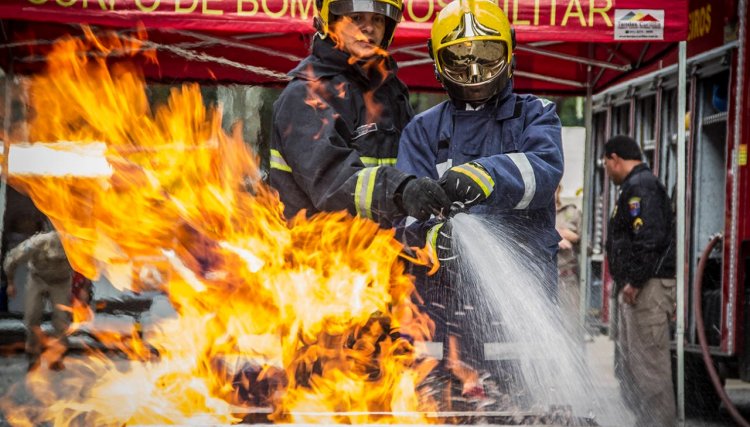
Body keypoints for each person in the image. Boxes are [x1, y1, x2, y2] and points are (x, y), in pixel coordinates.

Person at [396, 0, 563, 400]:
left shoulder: (535, 116)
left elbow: (544, 170)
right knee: (438, 408)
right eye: (459, 59)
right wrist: (433, 241)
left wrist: (487, 175)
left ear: (510, 54)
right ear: (438, 64)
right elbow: (405, 214)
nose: (474, 72)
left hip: (518, 304)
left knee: (519, 410)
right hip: (439, 307)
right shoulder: (422, 131)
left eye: (487, 57)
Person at [269, 0, 450, 226]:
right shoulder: (306, 94)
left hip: (382, 254)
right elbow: (331, 181)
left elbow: (412, 163)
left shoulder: (390, 92)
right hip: (319, 254)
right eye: (356, 18)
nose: (369, 28)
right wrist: (400, 189)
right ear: (331, 21)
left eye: (377, 18)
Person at [603, 135, 676, 426]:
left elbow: (649, 240)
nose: (607, 172)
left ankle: (658, 423)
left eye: (606, 165)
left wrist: (633, 281)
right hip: (639, 287)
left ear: (614, 158)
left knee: (650, 365)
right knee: (635, 365)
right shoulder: (637, 186)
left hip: (647, 289)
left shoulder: (640, 187)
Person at [4, 230, 73, 371]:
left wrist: (84, 288)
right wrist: (10, 283)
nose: (55, 260)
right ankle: (33, 357)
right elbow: (11, 259)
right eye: (52, 258)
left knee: (62, 320)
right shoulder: (36, 243)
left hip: (61, 282)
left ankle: (56, 357)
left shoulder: (74, 245)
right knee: (32, 317)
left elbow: (88, 266)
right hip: (38, 279)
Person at [555, 184, 582, 341]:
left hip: (567, 280)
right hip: (541, 279)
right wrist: (554, 237)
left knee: (571, 329)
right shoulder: (535, 214)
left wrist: (575, 238)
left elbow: (589, 248)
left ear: (559, 189)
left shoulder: (571, 213)